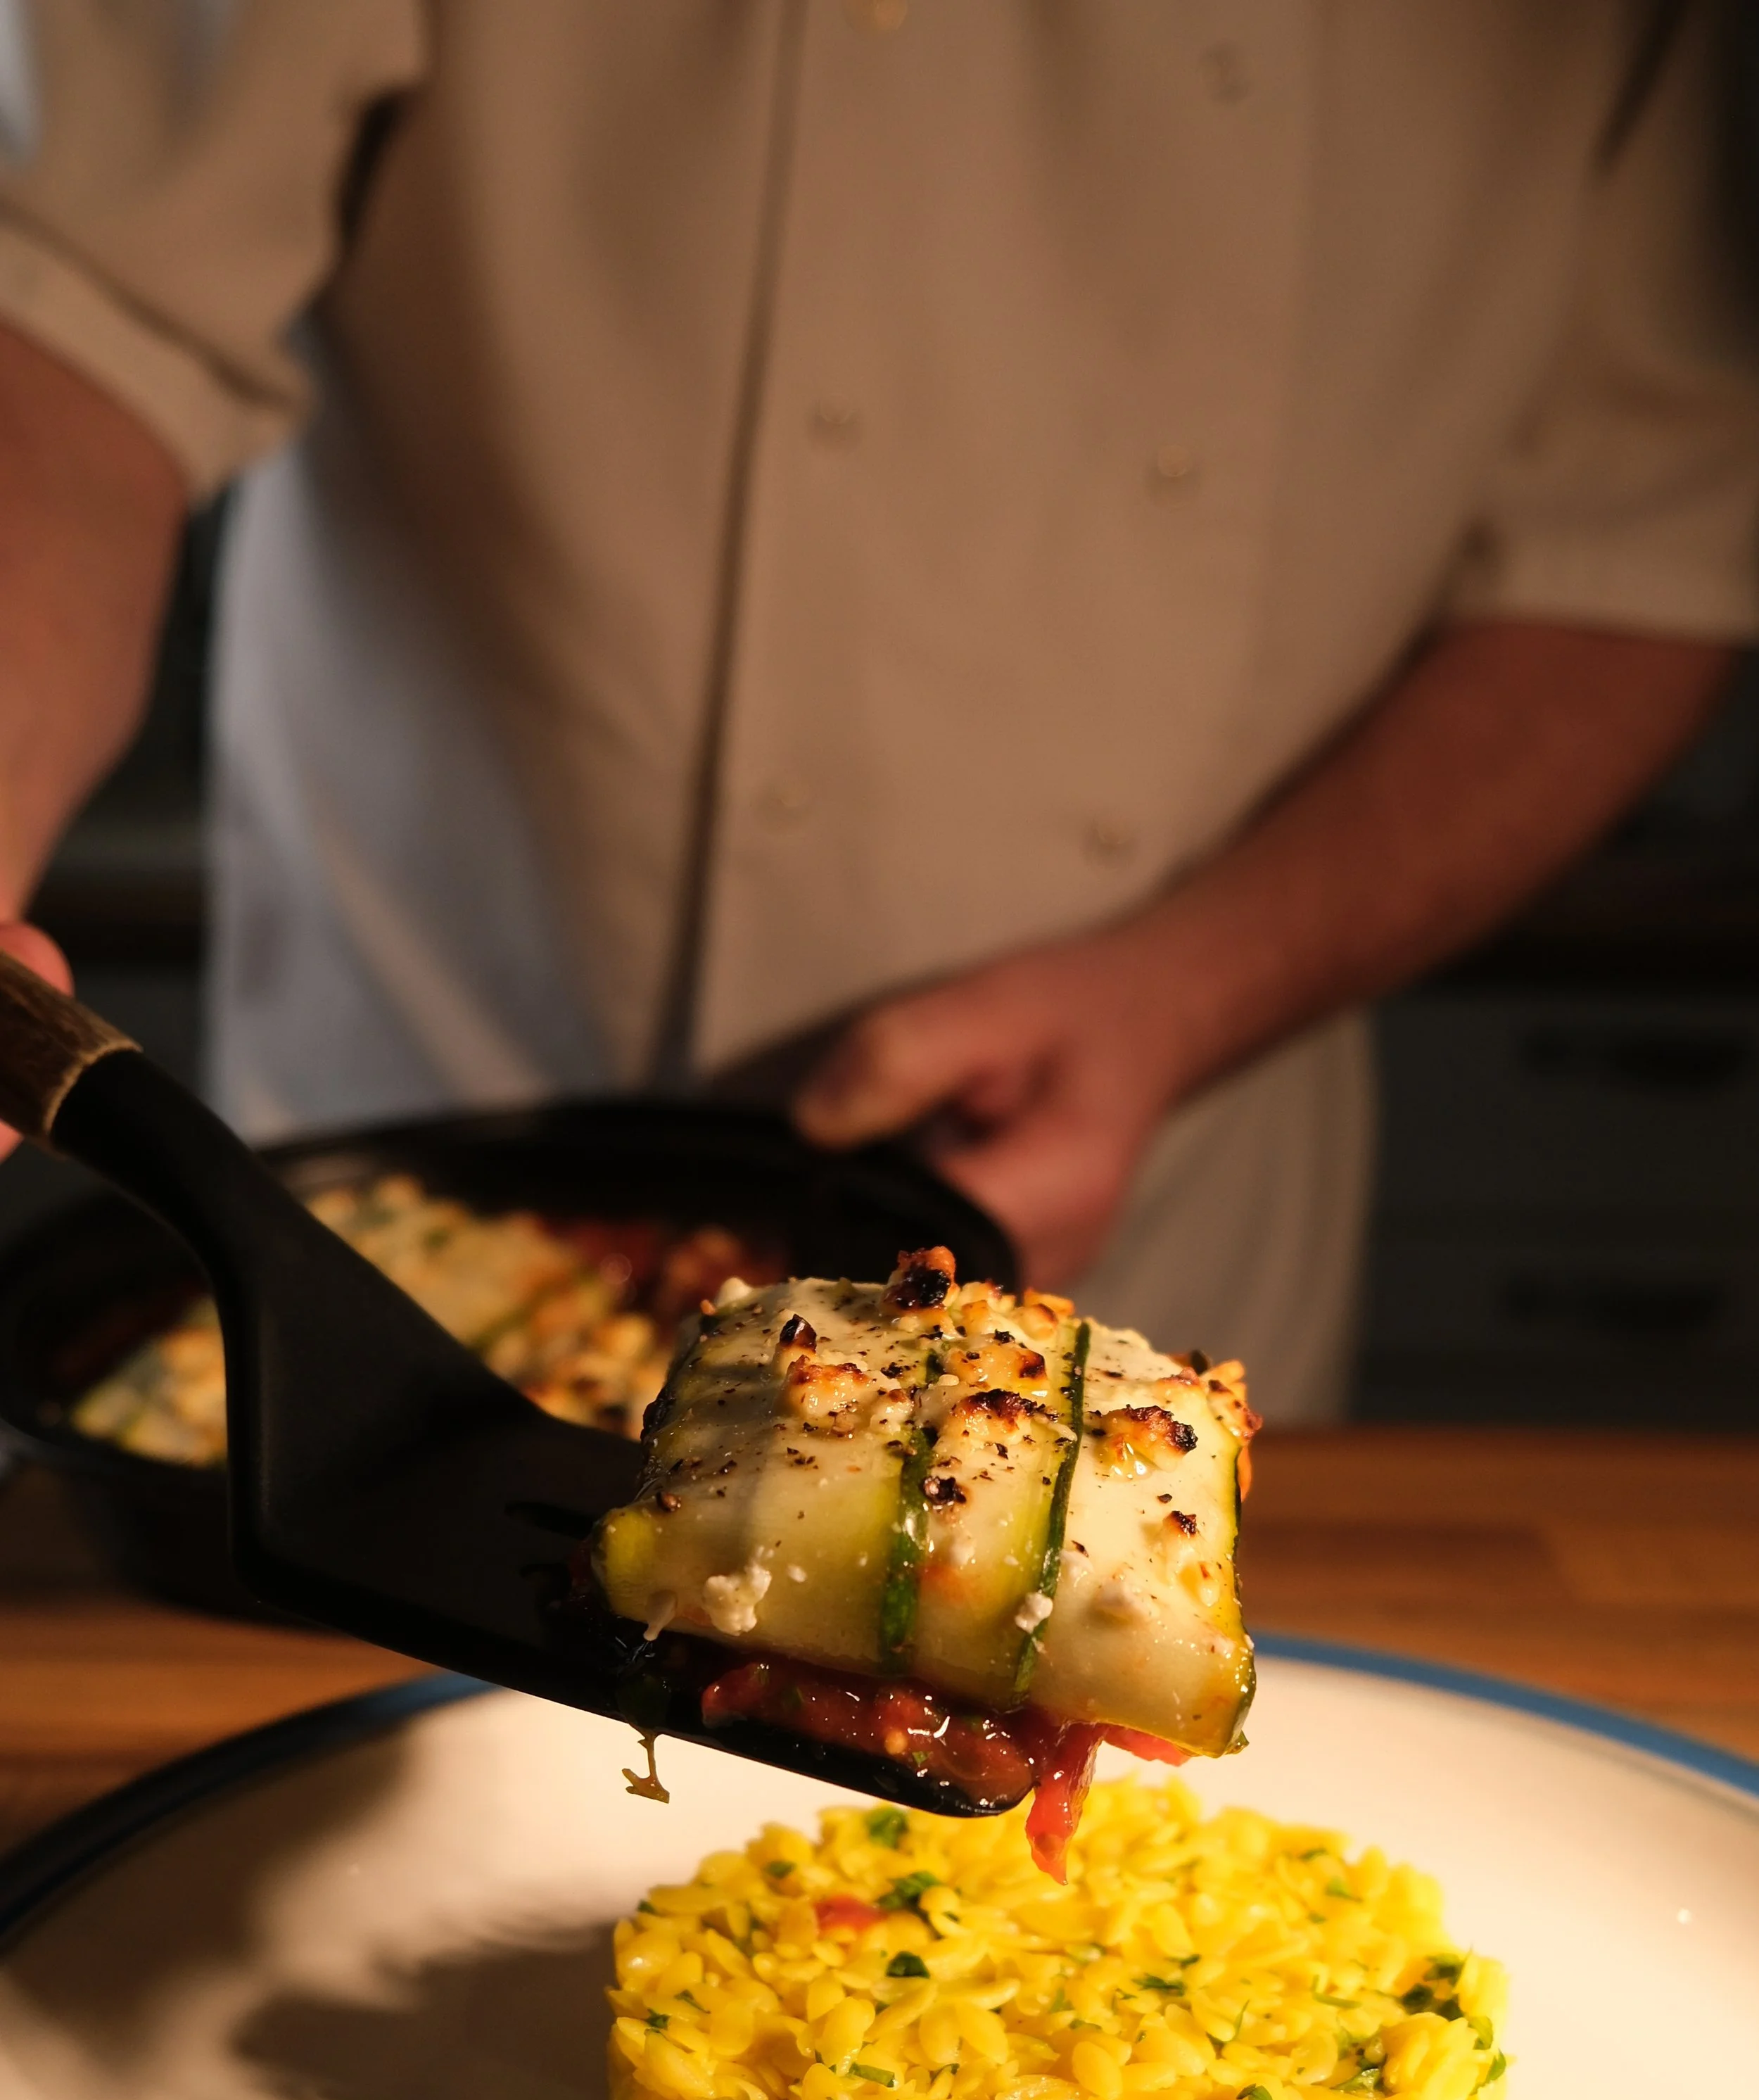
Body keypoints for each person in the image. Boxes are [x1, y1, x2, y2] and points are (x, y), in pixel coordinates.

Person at [1, 4, 1754, 1417]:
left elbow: (1637, 554)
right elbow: (65, 320)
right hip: (412, 1168)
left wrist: (1191, 991)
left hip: (1145, 1231)